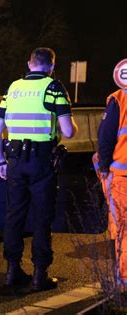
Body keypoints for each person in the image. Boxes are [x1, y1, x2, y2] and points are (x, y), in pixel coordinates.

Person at [0, 47, 78, 291]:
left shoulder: (13, 88)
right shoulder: (54, 88)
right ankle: (40, 275)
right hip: (42, 162)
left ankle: (12, 271)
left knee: (14, 215)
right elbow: (68, 131)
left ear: (29, 64)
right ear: (51, 66)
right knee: (42, 218)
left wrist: (0, 161)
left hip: (15, 160)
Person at [93, 84, 127, 290]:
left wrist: (103, 167)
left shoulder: (118, 99)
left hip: (122, 176)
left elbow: (105, 136)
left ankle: (123, 282)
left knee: (123, 230)